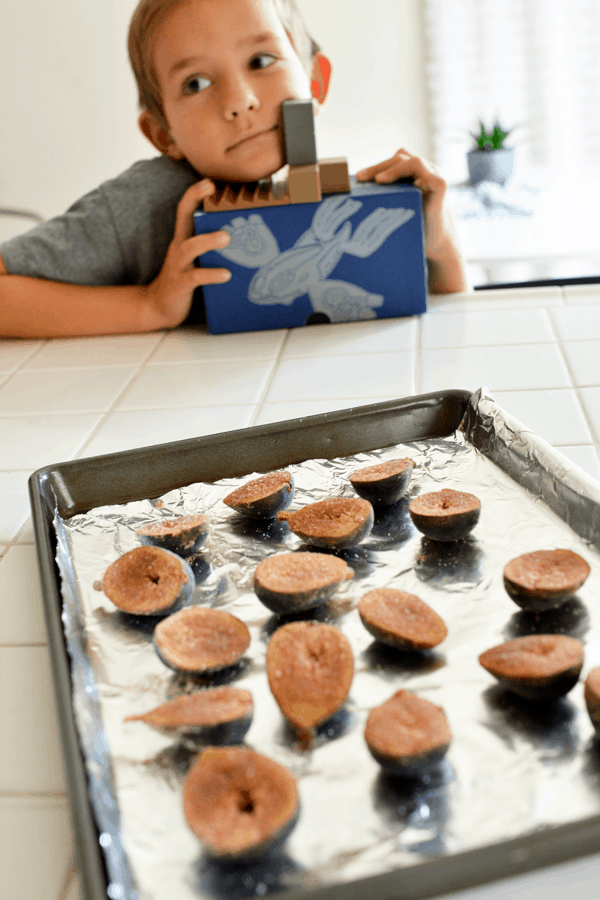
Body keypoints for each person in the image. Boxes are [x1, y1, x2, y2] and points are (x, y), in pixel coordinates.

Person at [0, 0, 469, 339]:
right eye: (196, 83)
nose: (239, 100)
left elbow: (447, 326)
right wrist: (150, 306)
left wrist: (441, 247)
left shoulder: (327, 192)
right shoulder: (139, 204)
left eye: (260, 61)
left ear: (316, 82)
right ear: (163, 134)